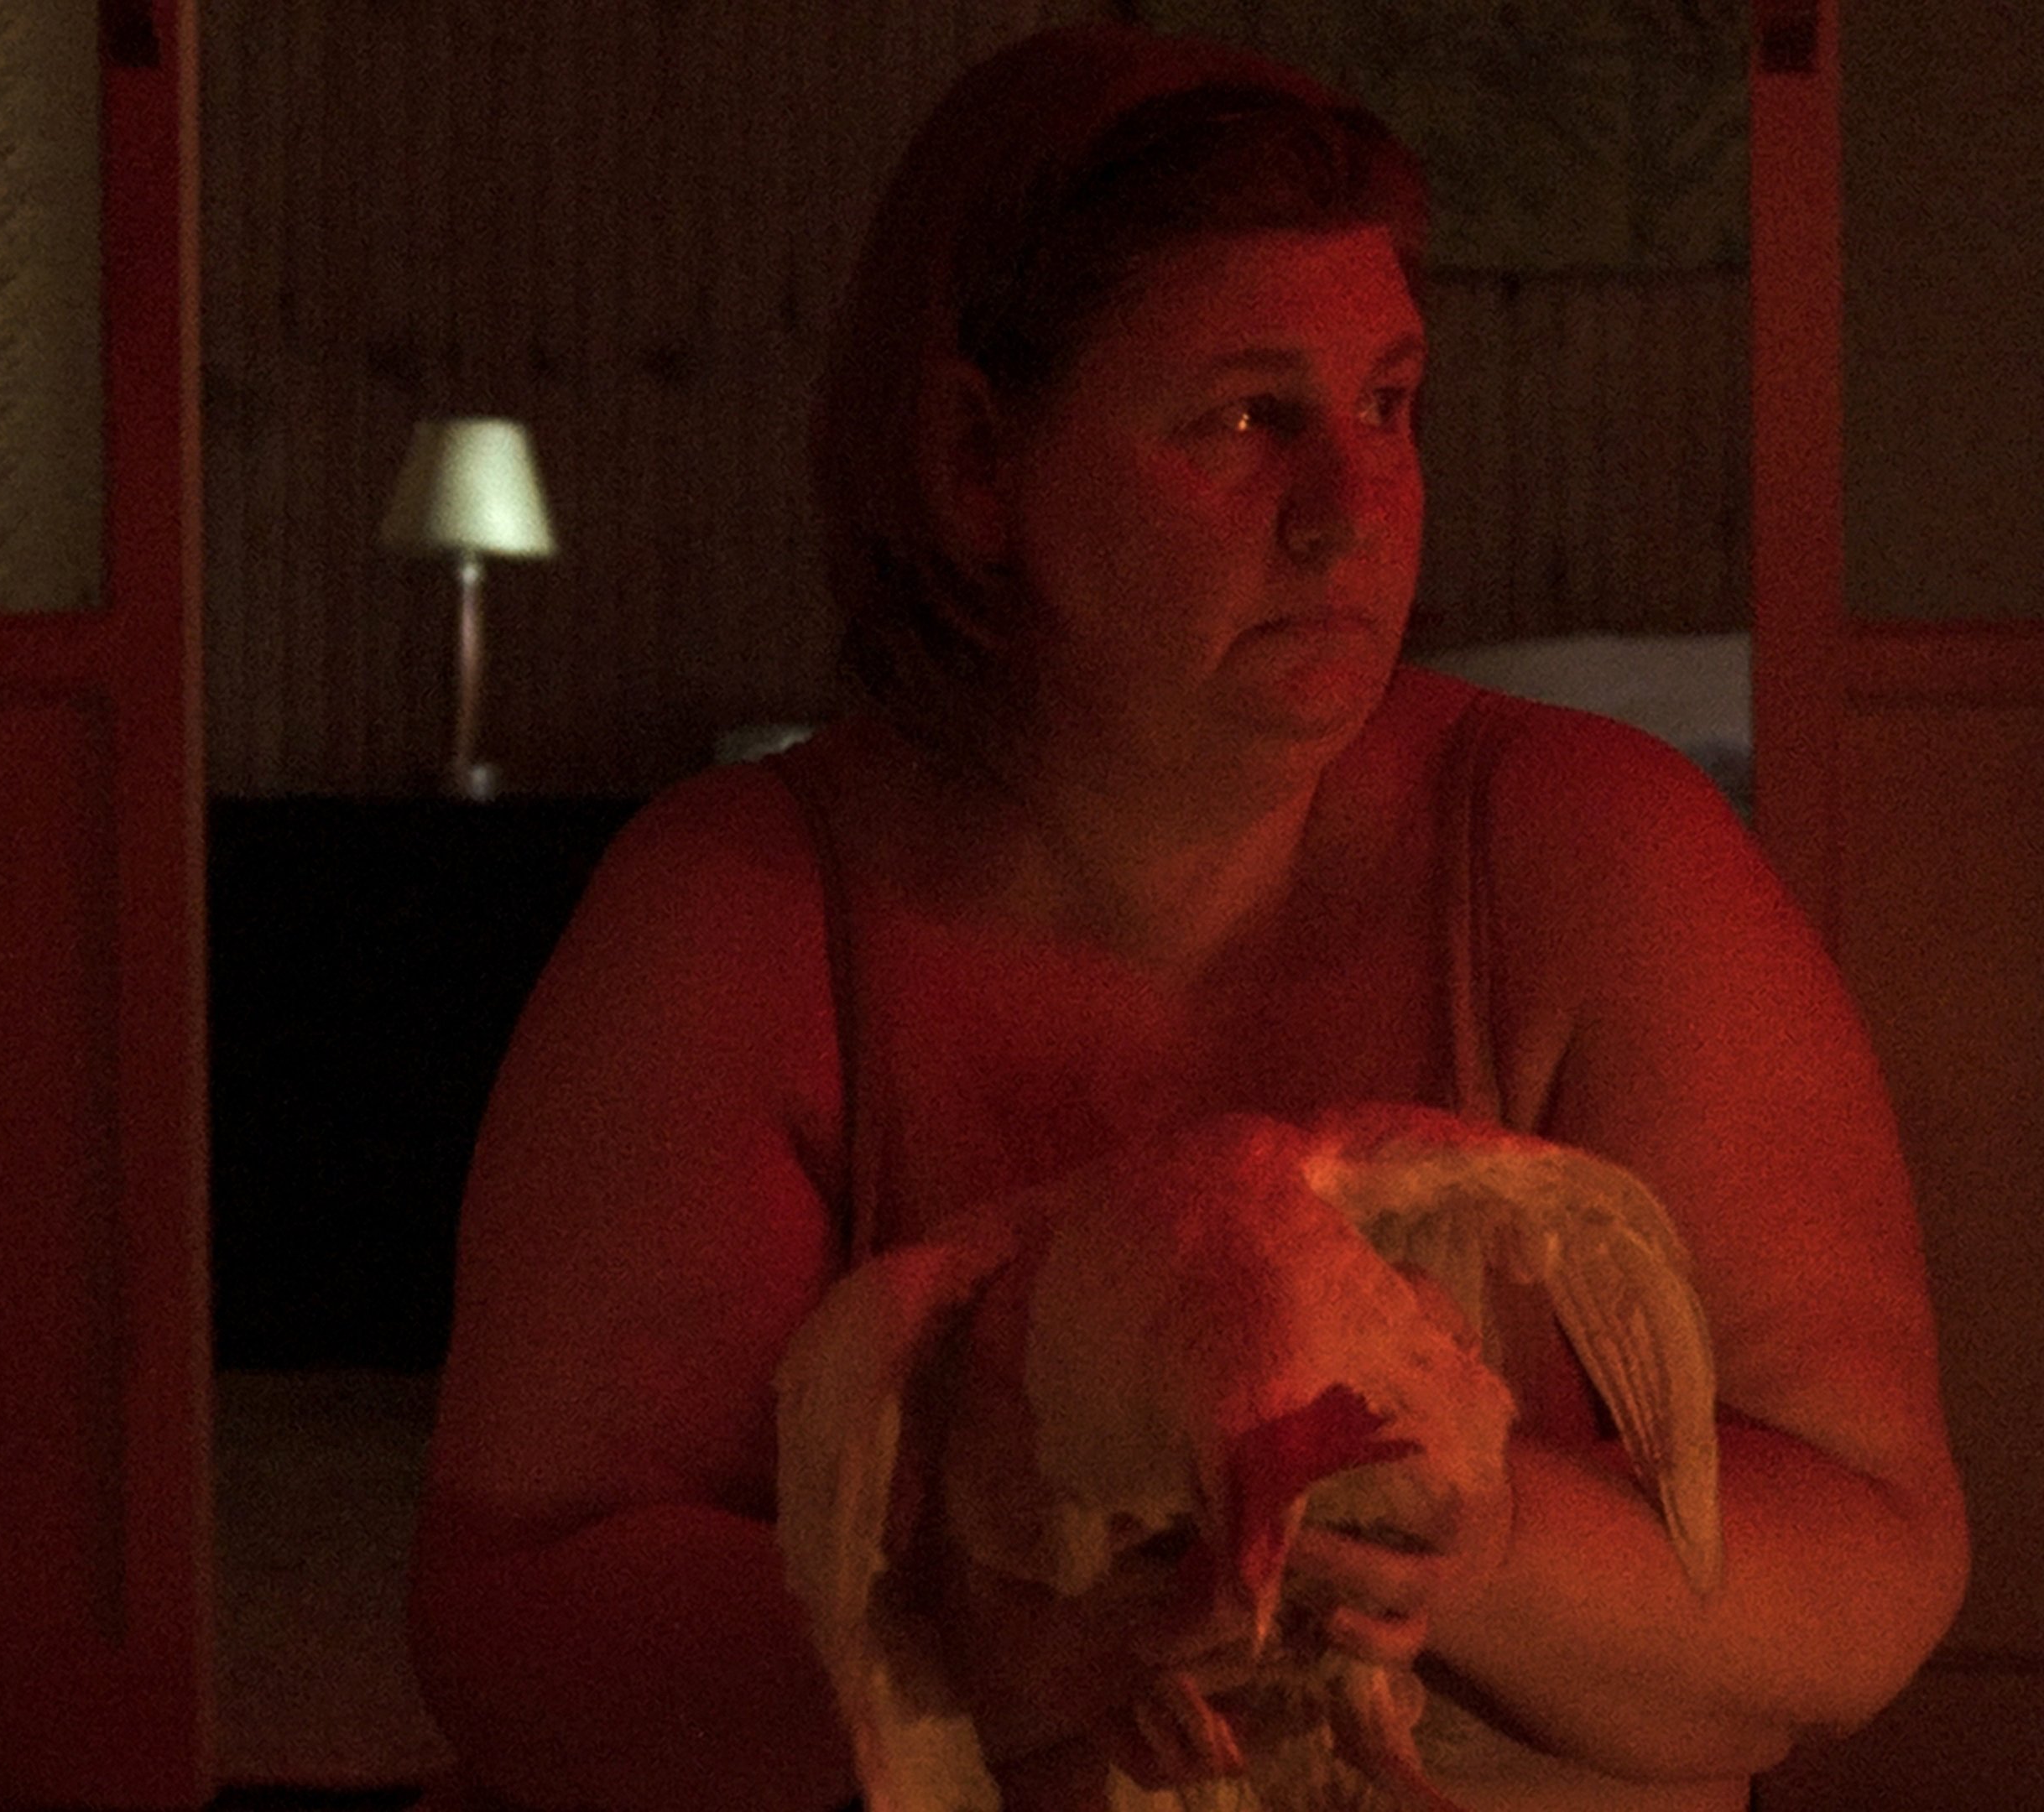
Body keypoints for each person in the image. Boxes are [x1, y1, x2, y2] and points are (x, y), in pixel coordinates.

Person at [409, 23, 1965, 1812]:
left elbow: (1871, 1550)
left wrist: (1476, 1547)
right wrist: (984, 1640)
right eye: (1244, 418)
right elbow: (515, 1615)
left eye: (1389, 405)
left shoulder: (1595, 859)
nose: (1351, 515)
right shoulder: (745, 921)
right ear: (976, 461)